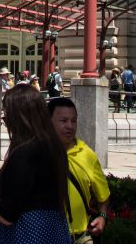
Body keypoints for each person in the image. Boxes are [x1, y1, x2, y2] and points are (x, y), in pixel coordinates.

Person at [0, 85, 70, 243]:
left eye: (6, 117)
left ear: (19, 118)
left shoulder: (25, 153)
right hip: (55, 233)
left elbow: (7, 214)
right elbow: (35, 189)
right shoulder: (54, 147)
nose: (6, 123)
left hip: (29, 234)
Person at [48, 97, 111, 244]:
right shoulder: (37, 153)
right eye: (63, 121)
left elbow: (104, 195)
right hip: (46, 237)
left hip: (80, 237)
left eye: (73, 121)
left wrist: (102, 216)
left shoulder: (87, 154)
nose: (70, 126)